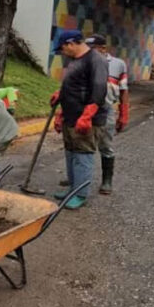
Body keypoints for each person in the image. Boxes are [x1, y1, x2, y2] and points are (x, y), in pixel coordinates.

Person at [50, 30, 107, 209]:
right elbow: (74, 85)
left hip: (86, 118)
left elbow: (99, 89)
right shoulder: (75, 60)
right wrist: (61, 97)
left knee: (82, 155)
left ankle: (81, 194)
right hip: (71, 116)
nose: (63, 52)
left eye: (62, 49)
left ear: (71, 43)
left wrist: (86, 116)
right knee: (71, 153)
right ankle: (73, 189)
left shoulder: (96, 60)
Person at [85, 35, 129, 195]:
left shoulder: (118, 64)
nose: (87, 51)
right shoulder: (84, 62)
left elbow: (124, 90)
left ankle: (107, 181)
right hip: (85, 109)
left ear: (103, 48)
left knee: (105, 146)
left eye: (92, 48)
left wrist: (124, 113)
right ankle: (78, 178)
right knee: (83, 145)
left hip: (107, 109)